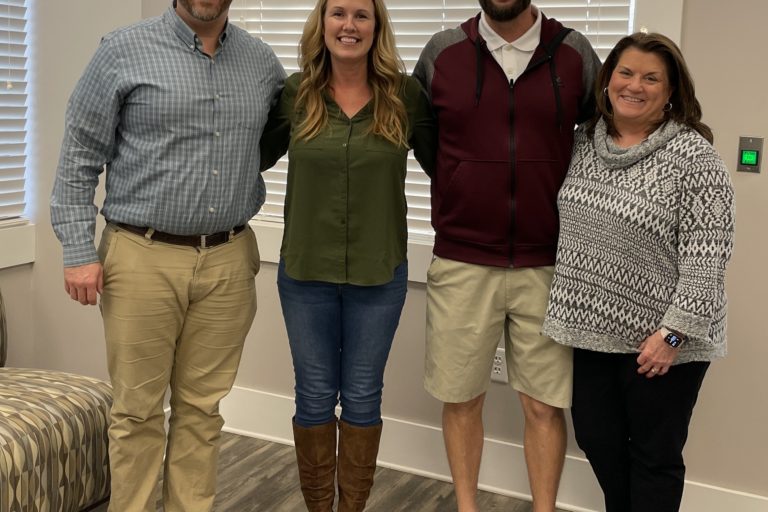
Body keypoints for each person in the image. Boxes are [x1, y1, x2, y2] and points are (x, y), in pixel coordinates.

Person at [50, 1, 285, 510]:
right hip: (142, 255)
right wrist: (77, 249)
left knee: (203, 411)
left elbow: (270, 143)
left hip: (228, 259)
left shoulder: (262, 63)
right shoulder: (122, 51)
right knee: (137, 413)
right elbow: (79, 157)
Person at [412, 1, 600, 510]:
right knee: (461, 398)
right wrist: (464, 183)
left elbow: (605, 134)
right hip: (463, 260)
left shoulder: (573, 52)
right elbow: (425, 139)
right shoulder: (443, 52)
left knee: (544, 406)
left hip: (549, 263)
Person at [542, 32, 735, 512]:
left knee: (654, 457)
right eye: (625, 73)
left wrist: (672, 335)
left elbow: (708, 259)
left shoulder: (695, 158)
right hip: (592, 331)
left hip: (664, 343)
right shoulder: (581, 143)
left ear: (670, 91)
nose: (635, 85)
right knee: (596, 439)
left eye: (651, 78)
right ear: (607, 80)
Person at [259, 0, 434, 510]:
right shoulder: (296, 94)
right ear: (323, 23)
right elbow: (251, 156)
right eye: (338, 13)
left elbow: (450, 167)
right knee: (313, 394)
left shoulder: (405, 96)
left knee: (361, 394)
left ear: (377, 27)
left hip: (379, 275)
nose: (349, 25)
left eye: (361, 15)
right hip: (305, 273)